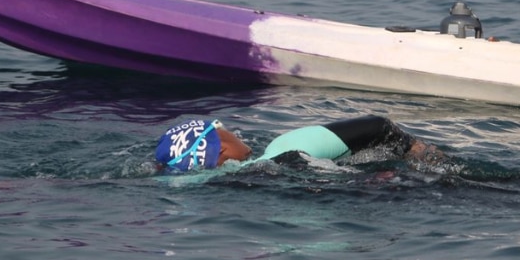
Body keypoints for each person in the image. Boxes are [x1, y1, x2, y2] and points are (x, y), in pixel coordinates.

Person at [154, 114, 438, 174]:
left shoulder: (248, 173)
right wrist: (421, 152)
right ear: (222, 149)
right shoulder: (282, 147)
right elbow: (378, 126)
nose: (233, 131)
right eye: (221, 128)